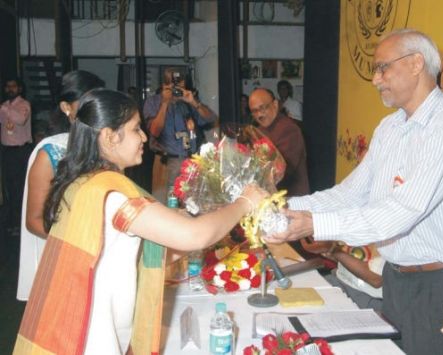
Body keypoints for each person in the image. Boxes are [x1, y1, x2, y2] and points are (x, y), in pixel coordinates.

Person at [264, 28, 443, 355]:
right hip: (397, 280)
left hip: (441, 285)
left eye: (383, 67)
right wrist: (277, 208)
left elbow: (402, 212)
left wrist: (313, 224)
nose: (375, 79)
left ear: (415, 63)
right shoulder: (390, 127)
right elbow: (350, 193)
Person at [13, 89, 265, 355]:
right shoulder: (110, 193)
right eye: (136, 130)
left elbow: (122, 255)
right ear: (109, 137)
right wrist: (245, 202)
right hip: (91, 335)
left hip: (77, 319)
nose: (144, 137)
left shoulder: (81, 182)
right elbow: (195, 235)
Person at [16, 70, 105, 301]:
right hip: (67, 252)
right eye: (85, 102)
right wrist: (78, 242)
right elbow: (34, 220)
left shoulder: (106, 145)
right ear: (66, 107)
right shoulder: (51, 152)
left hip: (104, 252)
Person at [143, 68, 217, 203]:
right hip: (166, 163)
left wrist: (194, 102)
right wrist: (165, 103)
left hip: (192, 162)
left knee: (193, 205)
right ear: (165, 84)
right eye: (174, 84)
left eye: (180, 83)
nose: (177, 87)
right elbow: (154, 131)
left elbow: (211, 119)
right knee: (166, 206)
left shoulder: (188, 101)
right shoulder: (153, 102)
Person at [249, 88, 309, 197]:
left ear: (275, 104)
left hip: (290, 198)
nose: (259, 115)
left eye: (263, 108)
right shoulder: (259, 130)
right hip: (269, 195)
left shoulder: (289, 129)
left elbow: (282, 171)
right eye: (254, 111)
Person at [301, 240, 384, 311]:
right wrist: (326, 250)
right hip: (340, 279)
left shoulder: (390, 236)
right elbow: (351, 261)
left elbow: (375, 280)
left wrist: (333, 250)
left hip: (364, 296)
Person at [0, 77, 32, 232]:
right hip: (7, 151)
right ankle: (11, 220)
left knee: (19, 187)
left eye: (13, 86)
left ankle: (19, 223)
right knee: (8, 187)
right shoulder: (5, 106)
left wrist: (5, 109)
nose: (9, 89)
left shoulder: (23, 105)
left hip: (20, 151)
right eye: (7, 86)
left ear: (19, 89)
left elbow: (20, 119)